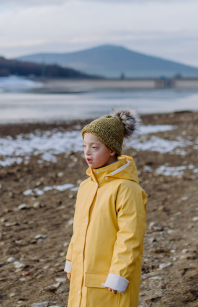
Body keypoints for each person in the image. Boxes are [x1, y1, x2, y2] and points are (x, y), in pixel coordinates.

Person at [64, 108, 148, 307]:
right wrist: (71, 260)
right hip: (83, 275)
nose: (87, 152)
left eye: (95, 147)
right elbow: (78, 231)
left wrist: (119, 274)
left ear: (112, 149)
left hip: (111, 281)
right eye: (85, 146)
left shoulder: (127, 189)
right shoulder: (86, 186)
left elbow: (130, 236)